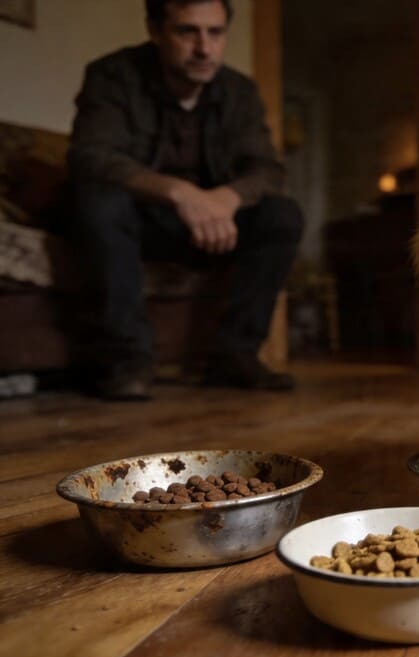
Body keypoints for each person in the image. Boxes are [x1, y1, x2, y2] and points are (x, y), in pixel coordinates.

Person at [66, 0, 303, 400]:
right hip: (137, 222)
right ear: (155, 31)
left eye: (215, 33)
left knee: (282, 215)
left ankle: (236, 355)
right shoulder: (112, 76)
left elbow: (268, 170)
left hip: (215, 227)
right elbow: (90, 157)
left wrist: (226, 199)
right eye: (187, 31)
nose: (204, 48)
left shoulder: (239, 92)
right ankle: (127, 360)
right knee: (98, 202)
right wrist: (180, 193)